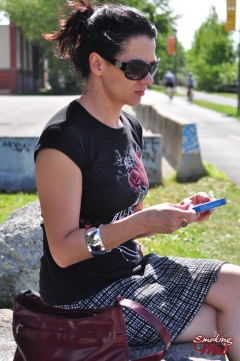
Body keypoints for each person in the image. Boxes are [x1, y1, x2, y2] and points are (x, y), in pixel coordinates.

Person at [35, 1, 240, 359]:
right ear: (97, 64)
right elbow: (64, 251)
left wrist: (171, 214)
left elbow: (128, 220)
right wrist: (142, 221)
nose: (149, 79)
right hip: (84, 302)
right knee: (224, 325)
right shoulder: (64, 138)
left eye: (153, 67)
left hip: (134, 275)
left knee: (238, 290)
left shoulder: (130, 125)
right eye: (135, 68)